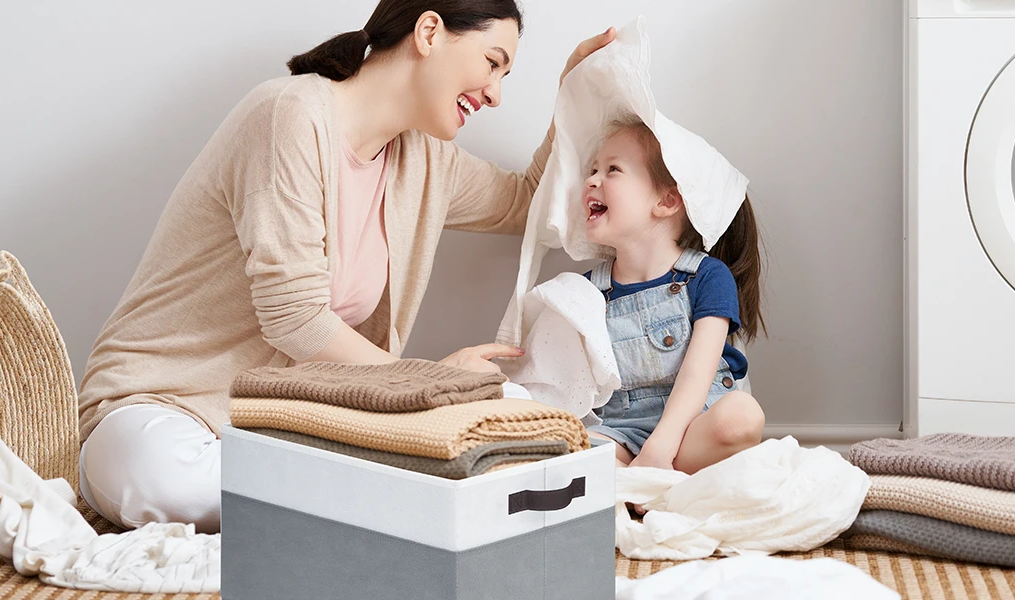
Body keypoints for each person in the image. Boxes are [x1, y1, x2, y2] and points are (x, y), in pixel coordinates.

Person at [75, 0, 615, 533]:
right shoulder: (289, 114)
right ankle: (351, 495)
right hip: (161, 408)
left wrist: (569, 102)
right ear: (429, 32)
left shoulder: (425, 160)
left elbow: (527, 202)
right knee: (162, 481)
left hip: (282, 425)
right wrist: (430, 382)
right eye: (493, 62)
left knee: (510, 422)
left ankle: (325, 495)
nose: (496, 93)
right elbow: (296, 319)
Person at [581, 119, 767, 474]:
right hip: (621, 430)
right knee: (563, 447)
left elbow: (698, 374)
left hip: (693, 425)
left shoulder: (708, 277)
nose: (591, 180)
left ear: (666, 201)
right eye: (592, 169)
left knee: (742, 416)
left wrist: (661, 447)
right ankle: (653, 478)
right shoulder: (586, 291)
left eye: (612, 169)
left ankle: (645, 474)